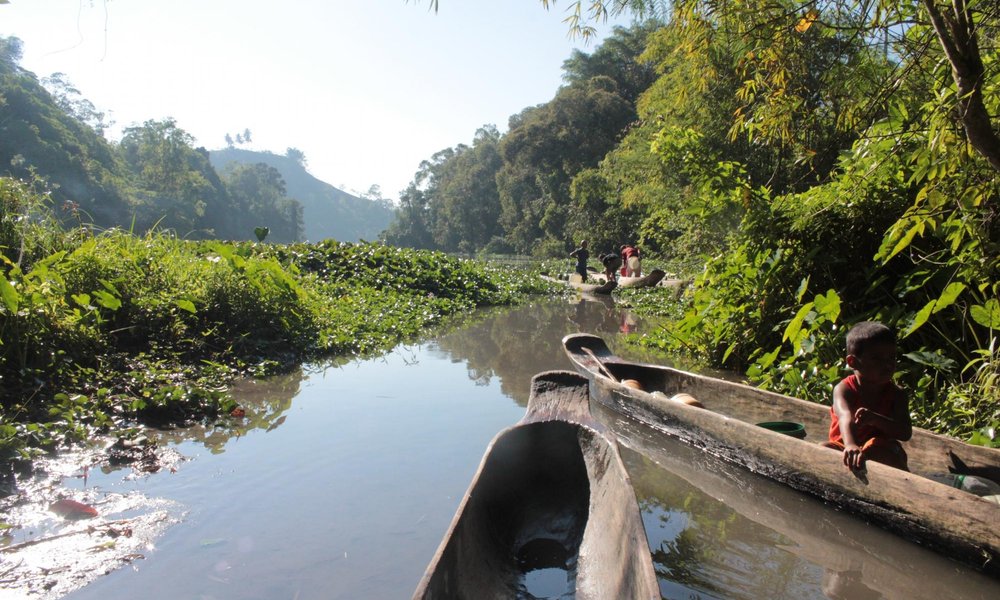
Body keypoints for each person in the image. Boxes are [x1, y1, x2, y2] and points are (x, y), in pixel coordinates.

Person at [822, 321, 912, 471]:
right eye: (877, 359)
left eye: (891, 358)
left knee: (875, 449)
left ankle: (910, 487)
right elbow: (846, 417)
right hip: (845, 446)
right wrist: (851, 445)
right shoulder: (844, 389)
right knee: (822, 449)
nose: (887, 365)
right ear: (853, 362)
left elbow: (904, 432)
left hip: (882, 448)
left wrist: (875, 419)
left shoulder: (898, 395)